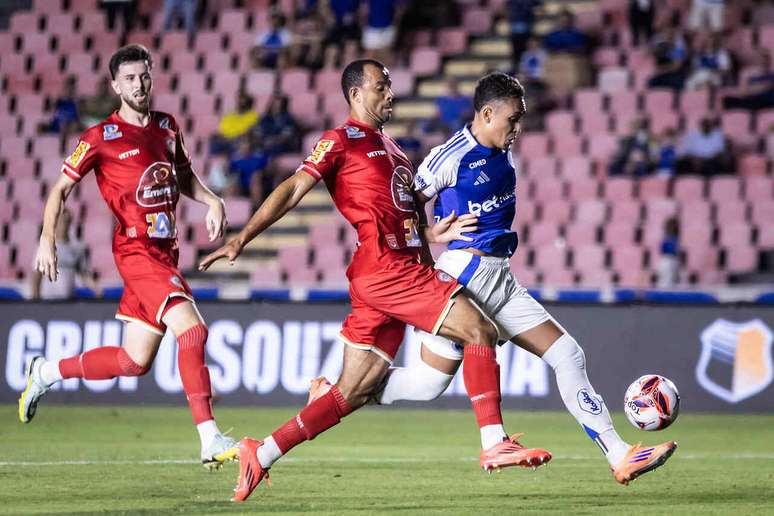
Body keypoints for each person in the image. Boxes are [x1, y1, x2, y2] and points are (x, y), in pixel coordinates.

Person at [199, 59, 551, 502]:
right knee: (479, 330)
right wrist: (243, 238)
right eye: (381, 86)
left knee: (353, 391)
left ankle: (262, 451)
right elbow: (293, 188)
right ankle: (494, 442)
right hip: (388, 271)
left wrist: (428, 234)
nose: (390, 93)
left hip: (395, 268)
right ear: (355, 94)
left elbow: (398, 214)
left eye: (390, 86)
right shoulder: (339, 141)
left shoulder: (393, 149)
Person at [365, 71, 677, 486]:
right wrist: (428, 234)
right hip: (463, 276)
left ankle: (620, 456)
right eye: (512, 119)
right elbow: (400, 208)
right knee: (426, 384)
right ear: (486, 114)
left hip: (501, 278)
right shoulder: (450, 156)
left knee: (566, 355)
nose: (517, 128)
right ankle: (346, 393)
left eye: (521, 119)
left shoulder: (502, 149)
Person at [18, 44, 236, 469]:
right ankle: (209, 438)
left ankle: (45, 372)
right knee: (192, 331)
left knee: (133, 361)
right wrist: (46, 239)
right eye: (130, 79)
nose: (139, 85)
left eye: (144, 76)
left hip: (165, 253)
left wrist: (213, 200)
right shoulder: (100, 138)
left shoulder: (167, 126)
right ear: (115, 86)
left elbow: (183, 176)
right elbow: (60, 190)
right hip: (136, 251)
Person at [30, 207, 100, 300]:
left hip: (68, 301)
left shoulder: (77, 247)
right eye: (61, 220)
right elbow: (36, 275)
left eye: (66, 221)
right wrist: (35, 299)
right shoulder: (45, 245)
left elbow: (83, 274)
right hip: (48, 300)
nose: (63, 224)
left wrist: (96, 288)